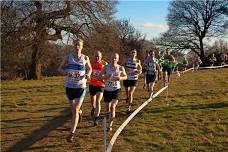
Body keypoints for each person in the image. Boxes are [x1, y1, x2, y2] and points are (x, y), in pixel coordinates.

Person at [58, 38, 92, 143]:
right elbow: (59, 68)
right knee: (73, 109)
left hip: (80, 87)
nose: (77, 47)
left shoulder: (85, 58)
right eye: (75, 45)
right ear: (73, 46)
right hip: (69, 86)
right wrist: (65, 73)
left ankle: (71, 133)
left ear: (82, 47)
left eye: (79, 45)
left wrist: (88, 74)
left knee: (75, 110)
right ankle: (80, 113)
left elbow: (90, 68)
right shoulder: (68, 57)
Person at [102, 53, 127, 131]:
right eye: (112, 58)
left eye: (115, 58)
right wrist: (105, 77)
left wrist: (120, 78)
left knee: (113, 107)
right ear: (110, 58)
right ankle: (108, 117)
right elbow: (100, 76)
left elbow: (126, 76)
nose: (113, 59)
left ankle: (110, 125)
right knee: (107, 108)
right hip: (107, 90)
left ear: (118, 59)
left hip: (116, 89)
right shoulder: (106, 67)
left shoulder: (120, 68)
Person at [89, 50, 107, 126]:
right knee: (93, 102)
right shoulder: (91, 63)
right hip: (92, 84)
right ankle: (93, 108)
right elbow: (88, 71)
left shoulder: (104, 64)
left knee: (98, 101)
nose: (96, 58)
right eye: (95, 56)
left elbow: (108, 73)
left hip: (100, 85)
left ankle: (96, 118)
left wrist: (103, 78)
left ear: (101, 57)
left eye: (98, 56)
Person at [123, 49, 142, 114]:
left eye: (134, 53)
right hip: (127, 78)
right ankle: (127, 97)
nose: (133, 54)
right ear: (130, 53)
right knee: (127, 93)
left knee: (131, 93)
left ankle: (129, 108)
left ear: (136, 54)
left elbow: (140, 69)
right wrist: (125, 70)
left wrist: (138, 73)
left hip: (134, 79)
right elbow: (122, 67)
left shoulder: (137, 61)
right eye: (132, 52)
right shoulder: (126, 60)